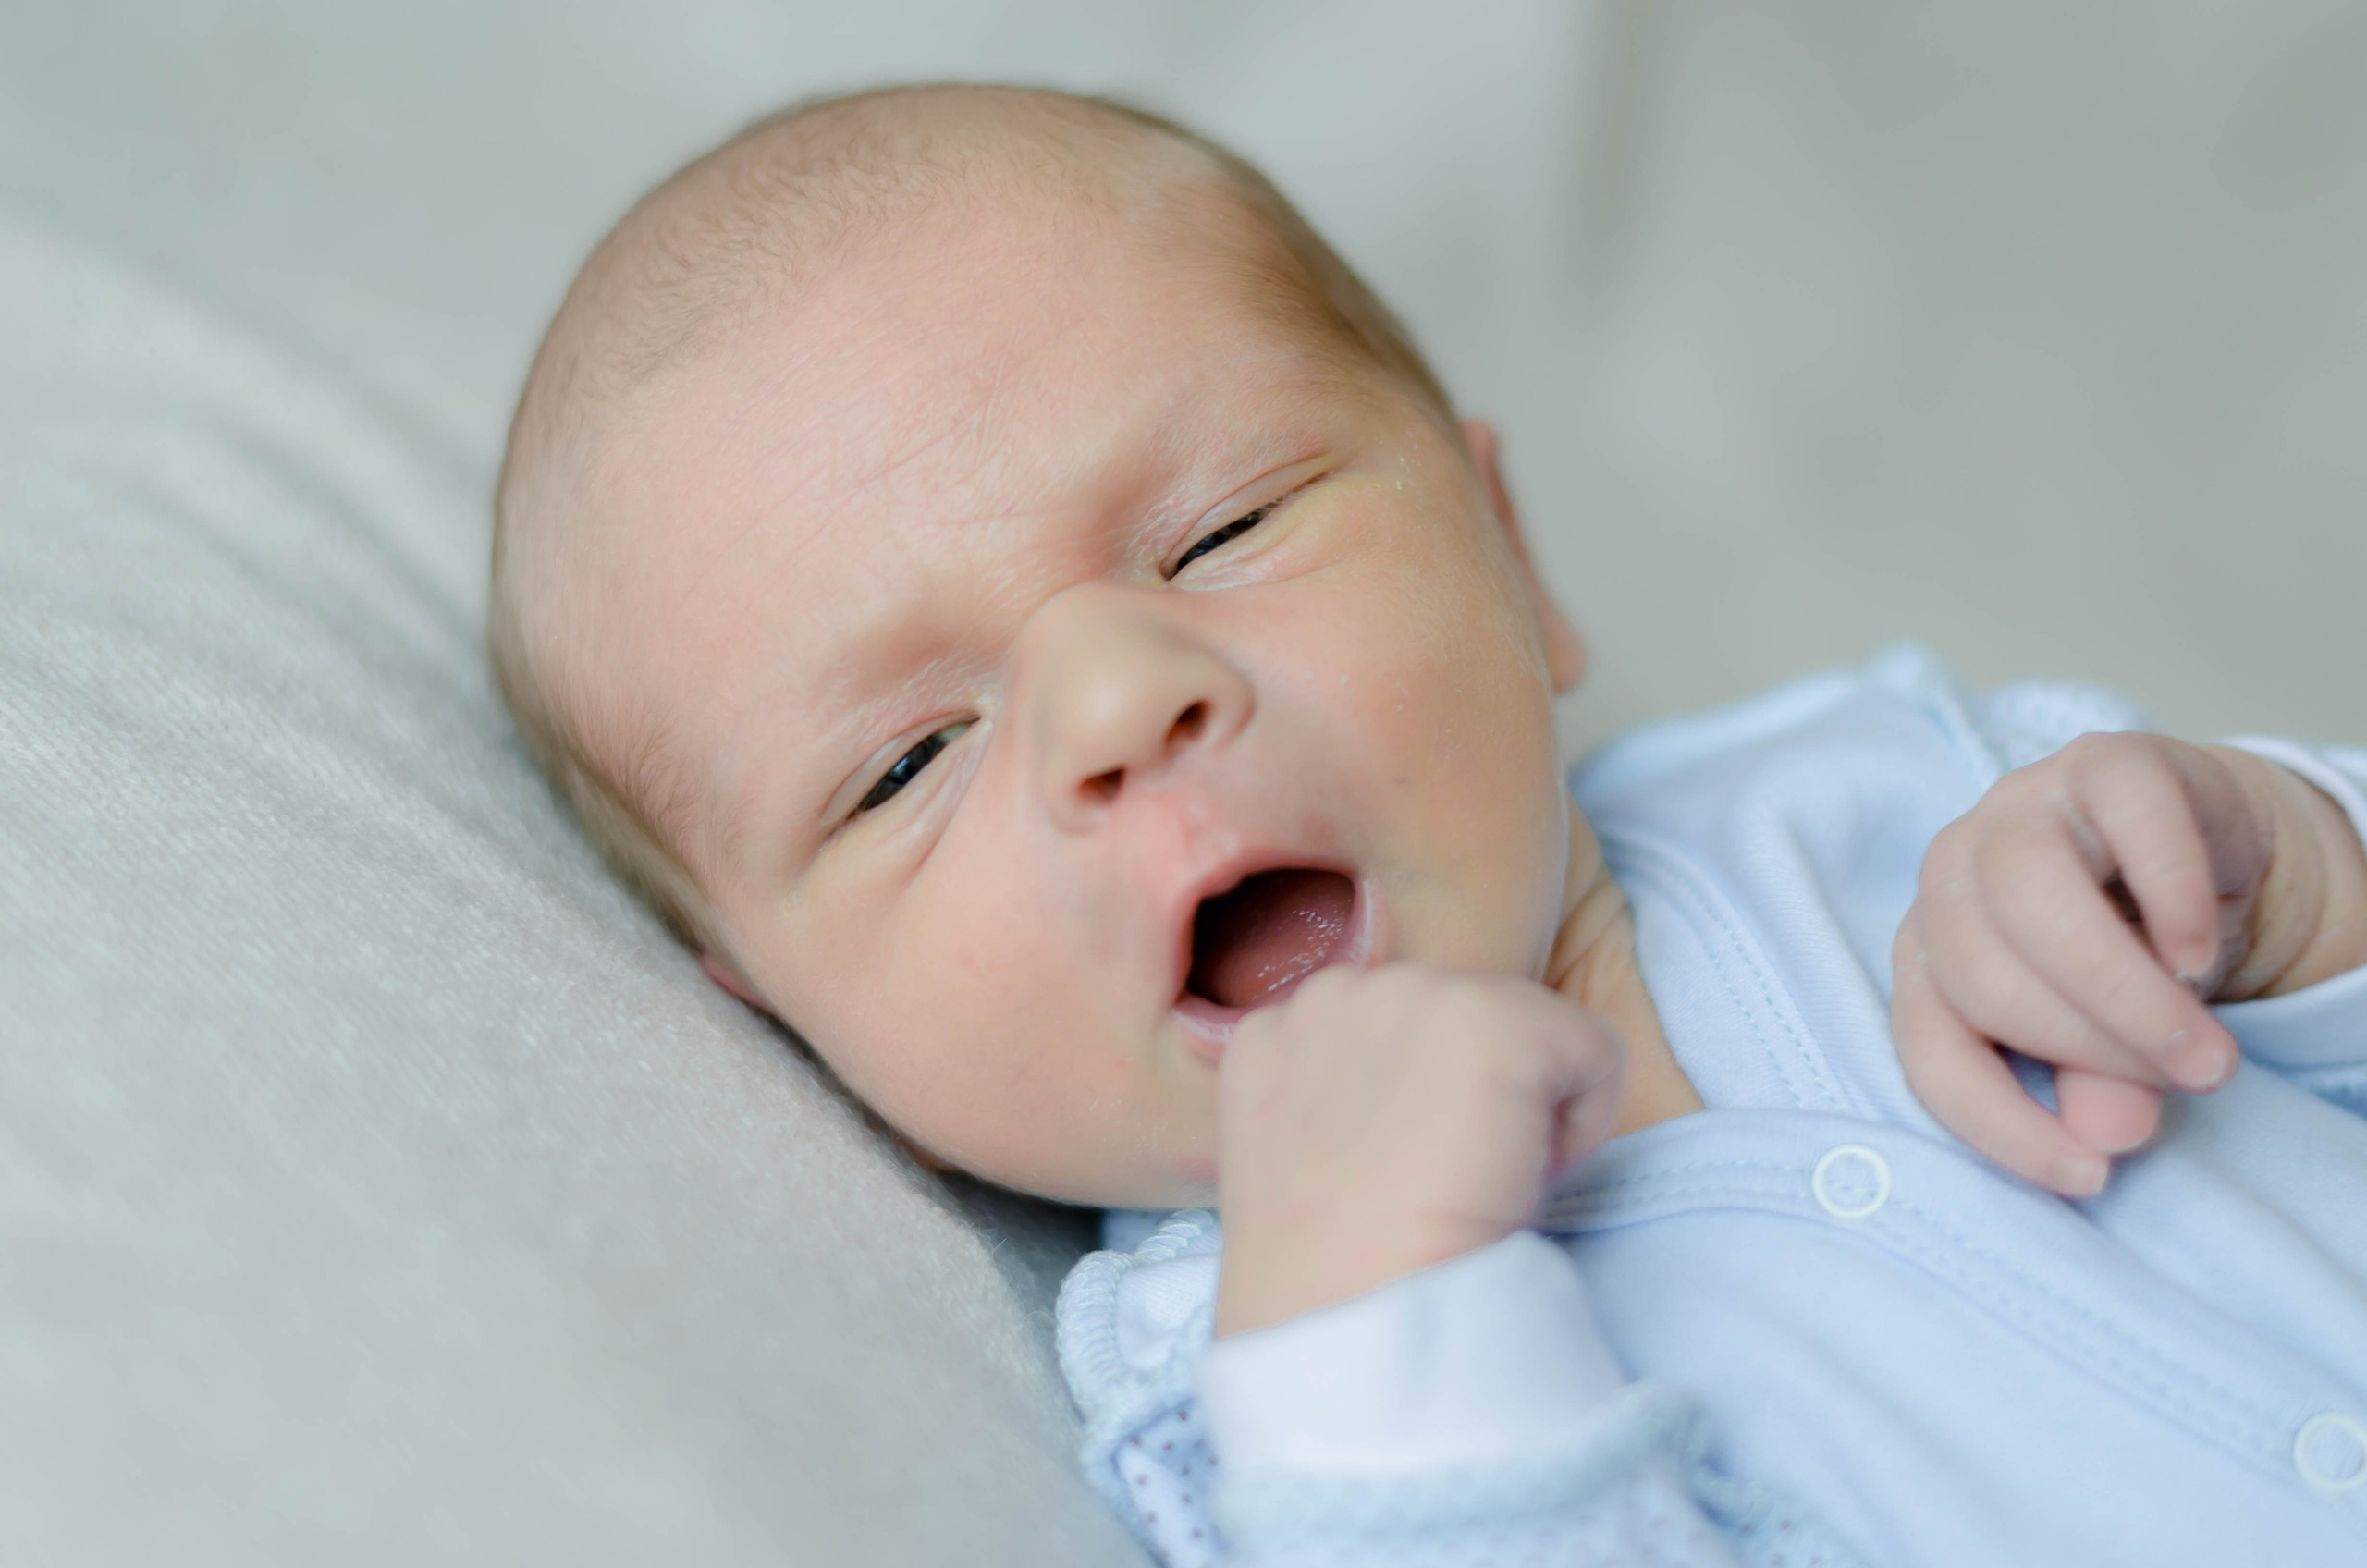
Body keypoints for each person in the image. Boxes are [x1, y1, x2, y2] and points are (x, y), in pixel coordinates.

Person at [487, 84, 2367, 1564]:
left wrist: (2281, 883)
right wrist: (1393, 1332)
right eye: (902, 765)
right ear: (782, 1006)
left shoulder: (1899, 788)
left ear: (1511, 559)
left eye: (1221, 531)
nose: (1116, 704)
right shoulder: (1265, 1398)